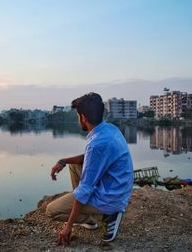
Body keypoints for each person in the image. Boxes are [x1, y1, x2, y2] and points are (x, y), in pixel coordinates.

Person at [46, 92, 134, 245]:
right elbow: (90, 157)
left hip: (112, 197)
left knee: (51, 211)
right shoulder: (109, 129)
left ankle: (107, 215)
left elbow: (84, 190)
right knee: (73, 165)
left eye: (77, 116)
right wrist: (63, 161)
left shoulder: (96, 145)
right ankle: (93, 216)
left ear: (82, 118)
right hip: (118, 186)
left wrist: (68, 226)